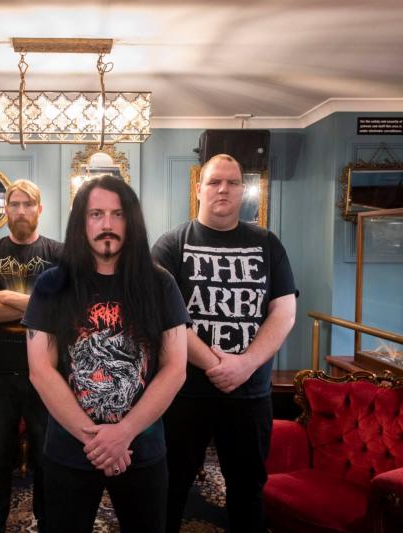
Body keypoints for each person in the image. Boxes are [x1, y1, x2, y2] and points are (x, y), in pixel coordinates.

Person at [23, 176, 189, 533]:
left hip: (142, 448)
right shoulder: (52, 284)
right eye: (96, 214)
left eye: (118, 214)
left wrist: (124, 433)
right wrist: (98, 442)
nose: (107, 224)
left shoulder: (160, 283)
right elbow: (40, 370)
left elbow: (175, 368)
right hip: (70, 448)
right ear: (81, 222)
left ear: (132, 221)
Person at [152, 154, 297, 533]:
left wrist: (245, 364)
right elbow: (164, 318)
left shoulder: (267, 244)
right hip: (184, 392)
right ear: (199, 188)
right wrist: (217, 366)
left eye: (232, 182)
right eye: (215, 181)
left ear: (242, 190)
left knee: (248, 491)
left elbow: (284, 312)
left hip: (250, 394)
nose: (223, 189)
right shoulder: (171, 245)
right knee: (169, 488)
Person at [0, 179, 63, 532]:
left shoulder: (58, 253)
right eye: (15, 204)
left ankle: (49, 523)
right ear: (6, 209)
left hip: (46, 373)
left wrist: (5, 298)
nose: (21, 211)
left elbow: (62, 311)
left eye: (28, 204)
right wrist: (40, 305)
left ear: (40, 209)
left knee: (47, 459)